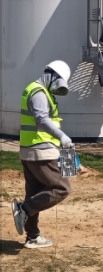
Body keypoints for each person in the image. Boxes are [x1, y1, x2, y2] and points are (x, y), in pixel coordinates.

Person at [12, 60, 73, 249]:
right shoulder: (38, 92)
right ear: (52, 74)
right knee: (62, 188)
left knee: (35, 192)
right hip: (41, 150)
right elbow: (41, 119)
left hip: (31, 149)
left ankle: (33, 236)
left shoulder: (35, 89)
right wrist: (61, 136)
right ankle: (24, 209)